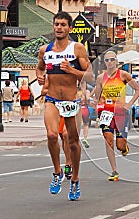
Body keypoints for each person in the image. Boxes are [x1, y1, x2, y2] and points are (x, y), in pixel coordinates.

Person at [35, 11, 93, 201]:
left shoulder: (77, 49)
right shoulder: (46, 50)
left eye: (63, 24)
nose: (59, 27)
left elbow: (90, 76)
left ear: (69, 28)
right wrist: (39, 76)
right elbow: (40, 66)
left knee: (73, 143)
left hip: (71, 101)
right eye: (56, 24)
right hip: (52, 99)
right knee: (51, 135)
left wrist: (72, 70)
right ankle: (57, 172)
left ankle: (75, 179)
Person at [93, 51, 139, 181]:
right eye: (107, 60)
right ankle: (114, 171)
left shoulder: (123, 75)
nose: (109, 62)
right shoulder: (100, 78)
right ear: (104, 62)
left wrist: (129, 104)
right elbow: (97, 97)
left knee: (120, 145)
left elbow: (138, 90)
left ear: (116, 61)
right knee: (108, 140)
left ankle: (124, 147)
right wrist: (95, 106)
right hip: (106, 113)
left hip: (120, 113)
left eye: (112, 60)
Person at [41, 77, 72, 180]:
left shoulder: (72, 70)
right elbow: (43, 91)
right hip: (55, 107)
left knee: (66, 135)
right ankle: (59, 170)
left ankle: (68, 163)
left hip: (69, 106)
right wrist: (55, 92)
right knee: (56, 136)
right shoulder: (51, 74)